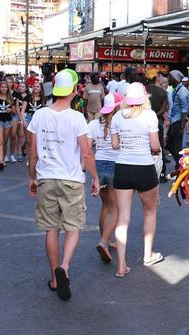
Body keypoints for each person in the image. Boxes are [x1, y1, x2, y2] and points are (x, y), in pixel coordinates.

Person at [26, 68, 99, 301]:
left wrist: (31, 177)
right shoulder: (78, 118)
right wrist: (95, 178)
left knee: (51, 228)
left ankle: (55, 278)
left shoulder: (39, 115)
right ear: (74, 91)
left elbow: (32, 150)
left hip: (46, 177)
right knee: (73, 226)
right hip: (72, 179)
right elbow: (86, 154)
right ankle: (65, 267)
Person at [111, 82, 164, 278]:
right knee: (150, 213)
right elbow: (155, 145)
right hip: (144, 168)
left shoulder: (117, 116)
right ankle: (148, 255)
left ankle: (121, 265)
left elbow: (115, 145)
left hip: (122, 168)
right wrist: (155, 150)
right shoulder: (149, 116)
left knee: (122, 218)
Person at [89, 93, 122, 264]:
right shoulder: (120, 123)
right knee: (116, 209)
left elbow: (87, 148)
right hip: (116, 164)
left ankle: (107, 239)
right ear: (116, 107)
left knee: (106, 206)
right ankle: (103, 241)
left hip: (99, 164)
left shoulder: (93, 123)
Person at [166, 70, 189, 174]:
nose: (168, 79)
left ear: (175, 78)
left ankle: (180, 164)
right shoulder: (176, 89)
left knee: (176, 145)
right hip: (174, 120)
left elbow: (185, 109)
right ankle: (179, 163)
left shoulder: (182, 90)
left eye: (169, 77)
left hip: (178, 121)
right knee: (170, 144)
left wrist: (182, 126)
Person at [12, 82, 30, 162]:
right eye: (19, 86)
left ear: (26, 88)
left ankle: (24, 147)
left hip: (28, 116)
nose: (20, 88)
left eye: (23, 86)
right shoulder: (17, 97)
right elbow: (17, 108)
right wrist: (20, 118)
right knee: (20, 136)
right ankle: (19, 154)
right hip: (19, 116)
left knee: (28, 137)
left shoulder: (29, 96)